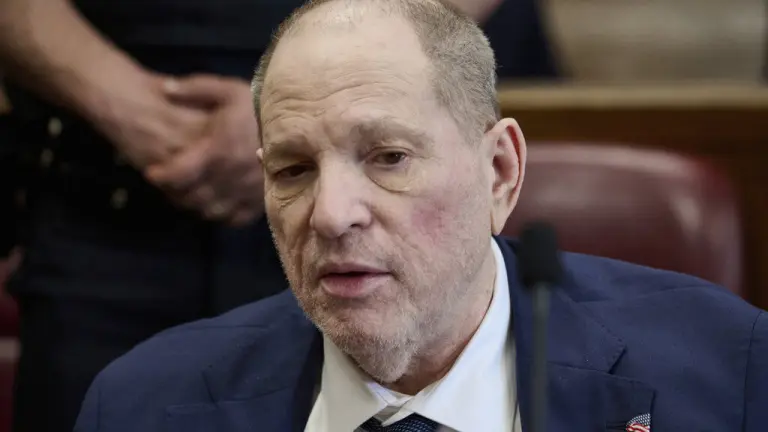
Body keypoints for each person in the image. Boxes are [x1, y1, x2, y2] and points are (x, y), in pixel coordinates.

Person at [76, 0, 767, 431]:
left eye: (389, 158)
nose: (331, 215)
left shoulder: (730, 372)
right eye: (293, 170)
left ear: (500, 172)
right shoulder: (141, 407)